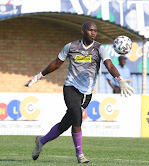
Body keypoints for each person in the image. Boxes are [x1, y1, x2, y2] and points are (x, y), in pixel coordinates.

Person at [24, 21, 134, 164]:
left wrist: (119, 79)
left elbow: (109, 65)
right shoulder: (71, 47)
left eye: (95, 30)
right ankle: (80, 155)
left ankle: (41, 141)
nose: (93, 33)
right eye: (90, 30)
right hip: (70, 87)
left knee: (64, 125)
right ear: (83, 31)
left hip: (86, 94)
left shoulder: (99, 48)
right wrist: (38, 76)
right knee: (76, 115)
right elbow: (56, 63)